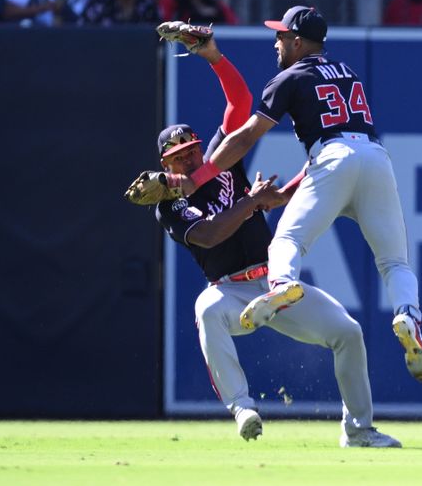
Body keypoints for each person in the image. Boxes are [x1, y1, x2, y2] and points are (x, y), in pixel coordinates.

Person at [154, 33, 401, 448]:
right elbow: (213, 235)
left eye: (193, 150)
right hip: (231, 291)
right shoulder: (166, 205)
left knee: (349, 332)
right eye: (179, 157)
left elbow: (238, 102)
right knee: (206, 308)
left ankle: (359, 430)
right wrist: (252, 202)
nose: (191, 159)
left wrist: (213, 56)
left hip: (274, 286)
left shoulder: (218, 162)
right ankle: (242, 407)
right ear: (165, 165)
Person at [165, 6, 422, 385]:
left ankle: (282, 285)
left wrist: (200, 177)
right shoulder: (349, 72)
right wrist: (284, 194)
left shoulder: (289, 77)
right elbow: (340, 151)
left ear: (297, 41)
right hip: (374, 156)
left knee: (286, 242)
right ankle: (408, 314)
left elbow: (244, 136)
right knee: (395, 263)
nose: (276, 42)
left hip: (331, 157)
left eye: (281, 36)